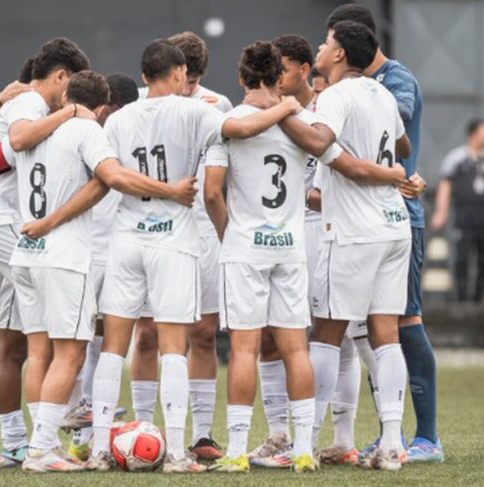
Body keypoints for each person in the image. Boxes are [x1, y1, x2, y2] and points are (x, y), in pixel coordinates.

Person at [0, 69, 198, 472]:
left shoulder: (33, 131)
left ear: (68, 95)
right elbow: (112, 178)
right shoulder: (87, 132)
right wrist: (171, 191)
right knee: (70, 355)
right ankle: (40, 451)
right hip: (63, 255)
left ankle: (43, 444)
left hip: (26, 253)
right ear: (102, 107)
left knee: (39, 353)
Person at [88, 38, 300, 474]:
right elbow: (241, 129)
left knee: (114, 347)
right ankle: (179, 453)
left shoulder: (119, 119)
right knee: (172, 346)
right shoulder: (195, 110)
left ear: (145, 75)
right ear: (180, 74)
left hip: (127, 237)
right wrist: (286, 106)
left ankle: (97, 449)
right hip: (173, 239)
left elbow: (110, 175)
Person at [0, 37, 92, 469]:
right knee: (58, 313)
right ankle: (56, 426)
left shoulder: (14, 100)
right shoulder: (33, 106)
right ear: (61, 77)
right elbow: (15, 143)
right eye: (72, 87)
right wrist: (69, 112)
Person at [271, 20, 412, 470]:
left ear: (339, 55)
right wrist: (377, 156)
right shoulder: (382, 94)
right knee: (385, 334)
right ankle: (392, 442)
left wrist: (280, 111)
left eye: (327, 43)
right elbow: (402, 144)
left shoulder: (334, 96)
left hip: (353, 229)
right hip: (393, 224)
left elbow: (319, 141)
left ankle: (306, 444)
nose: (320, 46)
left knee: (326, 333)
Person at [325, 3, 442, 464]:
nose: (327, 48)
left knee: (405, 322)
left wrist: (398, 175)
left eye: (330, 40)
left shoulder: (393, 81)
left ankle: (428, 435)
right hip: (363, 215)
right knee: (372, 330)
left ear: (349, 41)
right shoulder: (352, 86)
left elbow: (398, 126)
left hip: (396, 214)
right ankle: (388, 432)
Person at [205, 40, 324, 474]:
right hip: (290, 246)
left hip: (244, 247)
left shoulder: (227, 120)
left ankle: (236, 451)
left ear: (240, 78)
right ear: (279, 77)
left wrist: (228, 234)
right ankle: (305, 449)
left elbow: (212, 192)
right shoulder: (304, 122)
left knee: (243, 349)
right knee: (296, 349)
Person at [130, 31, 233, 461]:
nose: (186, 89)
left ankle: (203, 434)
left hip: (203, 231)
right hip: (154, 229)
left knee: (204, 333)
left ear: (197, 76)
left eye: (193, 82)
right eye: (181, 79)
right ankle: (141, 428)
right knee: (149, 331)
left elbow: (217, 179)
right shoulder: (138, 103)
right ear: (169, 72)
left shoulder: (218, 105)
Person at [61, 73, 140, 461]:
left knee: (105, 336)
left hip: (118, 246)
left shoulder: (126, 132)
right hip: (85, 248)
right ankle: (72, 423)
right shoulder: (83, 133)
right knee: (76, 339)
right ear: (107, 108)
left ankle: (92, 426)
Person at [432, 118, 484, 302]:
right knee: (462, 259)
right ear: (472, 135)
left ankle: (479, 301)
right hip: (464, 219)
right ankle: (461, 301)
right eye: (483, 133)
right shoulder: (456, 159)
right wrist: (441, 213)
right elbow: (445, 187)